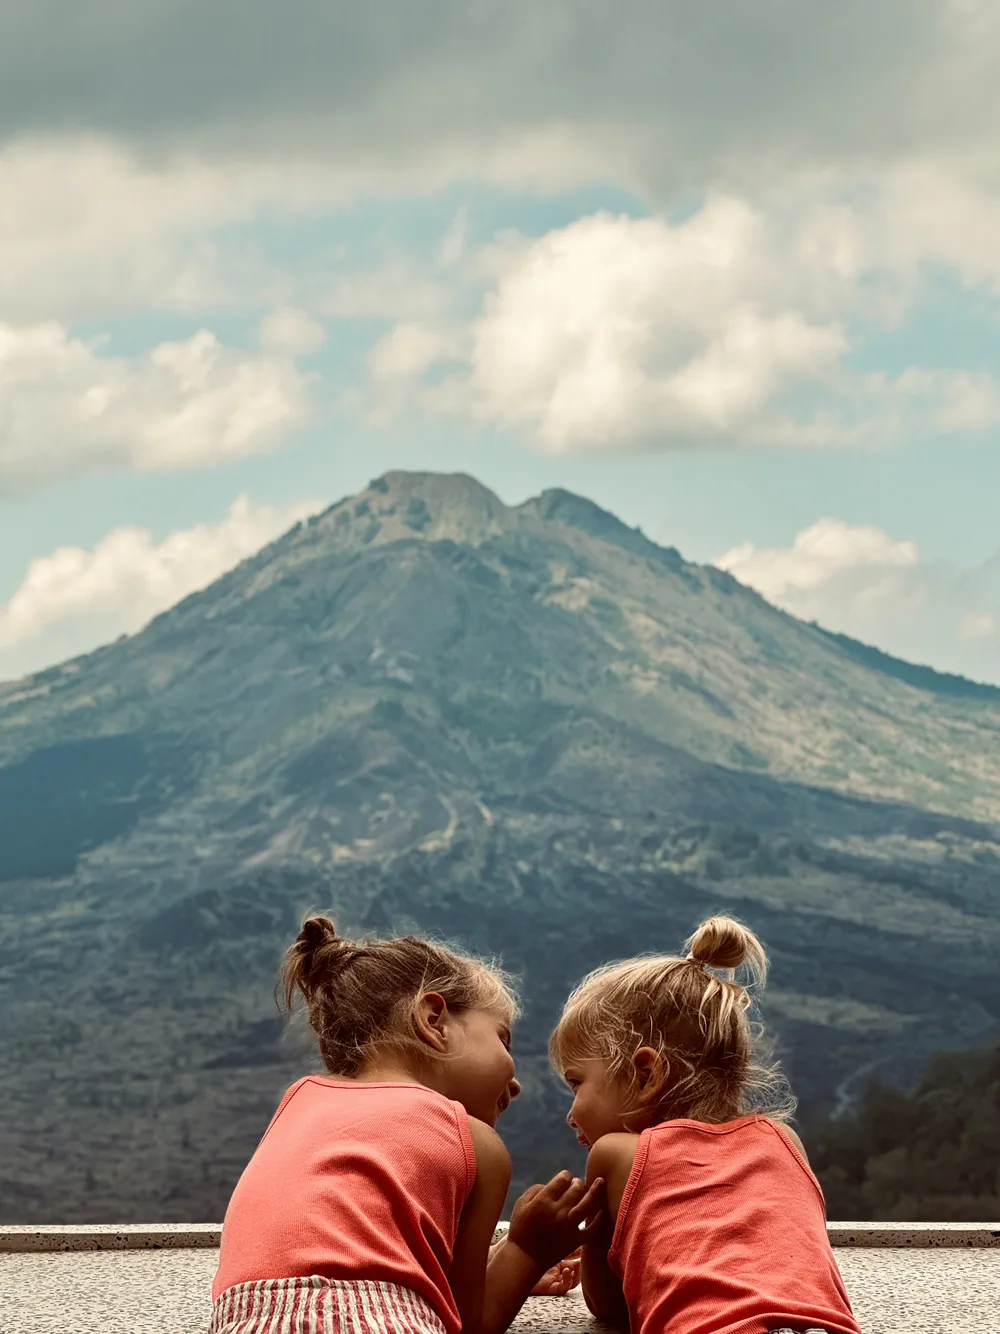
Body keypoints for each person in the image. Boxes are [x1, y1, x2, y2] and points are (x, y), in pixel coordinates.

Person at [211, 916, 603, 1334]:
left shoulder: (298, 1101)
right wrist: (528, 1249)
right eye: (502, 1039)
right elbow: (470, 1323)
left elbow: (348, 1254)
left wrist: (497, 1267)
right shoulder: (474, 1142)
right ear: (434, 1021)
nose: (515, 1081)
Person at [549, 916, 862, 1334]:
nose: (571, 1113)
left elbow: (606, 1305)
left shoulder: (618, 1154)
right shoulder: (783, 1140)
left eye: (577, 1083)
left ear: (645, 1076)